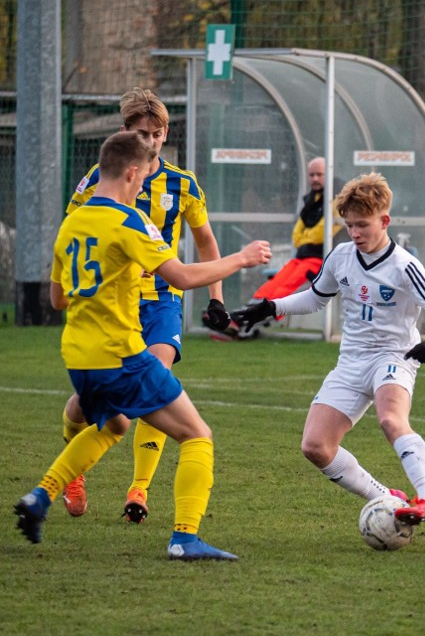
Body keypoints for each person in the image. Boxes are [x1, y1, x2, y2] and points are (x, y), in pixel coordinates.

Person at [13, 131, 271, 560]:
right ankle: (185, 538)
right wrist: (242, 258)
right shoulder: (129, 220)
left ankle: (40, 497)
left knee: (115, 425)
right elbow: (183, 278)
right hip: (121, 354)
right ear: (132, 173)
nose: (141, 186)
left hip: (78, 356)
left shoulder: (71, 222)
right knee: (197, 435)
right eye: (140, 178)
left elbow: (58, 299)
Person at [232, 172, 425, 529]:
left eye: (363, 225)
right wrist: (268, 306)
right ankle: (387, 498)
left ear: (385, 221)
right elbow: (315, 298)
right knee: (315, 446)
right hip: (351, 361)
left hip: (394, 358)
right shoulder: (341, 256)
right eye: (349, 225)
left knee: (390, 420)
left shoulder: (405, 266)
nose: (355, 233)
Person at [61, 87, 233, 523]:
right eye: (143, 133)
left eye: (158, 134)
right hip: (112, 307)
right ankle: (72, 470)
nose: (152, 142)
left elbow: (205, 240)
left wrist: (216, 298)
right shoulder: (97, 182)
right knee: (90, 404)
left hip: (161, 301)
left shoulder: (183, 183)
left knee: (158, 378)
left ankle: (139, 489)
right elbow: (73, 234)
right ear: (125, 132)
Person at [218, 156, 342, 339]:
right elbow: (297, 232)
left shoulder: (338, 199)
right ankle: (245, 312)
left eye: (319, 174)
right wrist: (305, 239)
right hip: (302, 257)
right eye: (312, 175)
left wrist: (305, 238)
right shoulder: (311, 200)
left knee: (288, 287)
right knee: (276, 282)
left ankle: (248, 322)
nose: (315, 179)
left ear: (329, 174)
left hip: (320, 260)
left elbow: (323, 232)